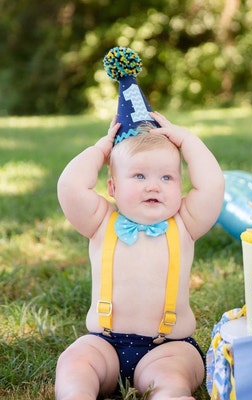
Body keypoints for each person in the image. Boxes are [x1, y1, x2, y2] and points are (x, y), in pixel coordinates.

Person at [55, 111, 225, 400]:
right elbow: (70, 187)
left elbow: (212, 185)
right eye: (139, 175)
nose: (153, 185)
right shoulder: (99, 221)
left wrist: (188, 141)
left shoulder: (186, 223)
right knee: (75, 361)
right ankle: (76, 394)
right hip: (105, 343)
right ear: (113, 187)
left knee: (171, 375)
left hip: (168, 346)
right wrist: (100, 150)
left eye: (167, 177)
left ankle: (170, 395)